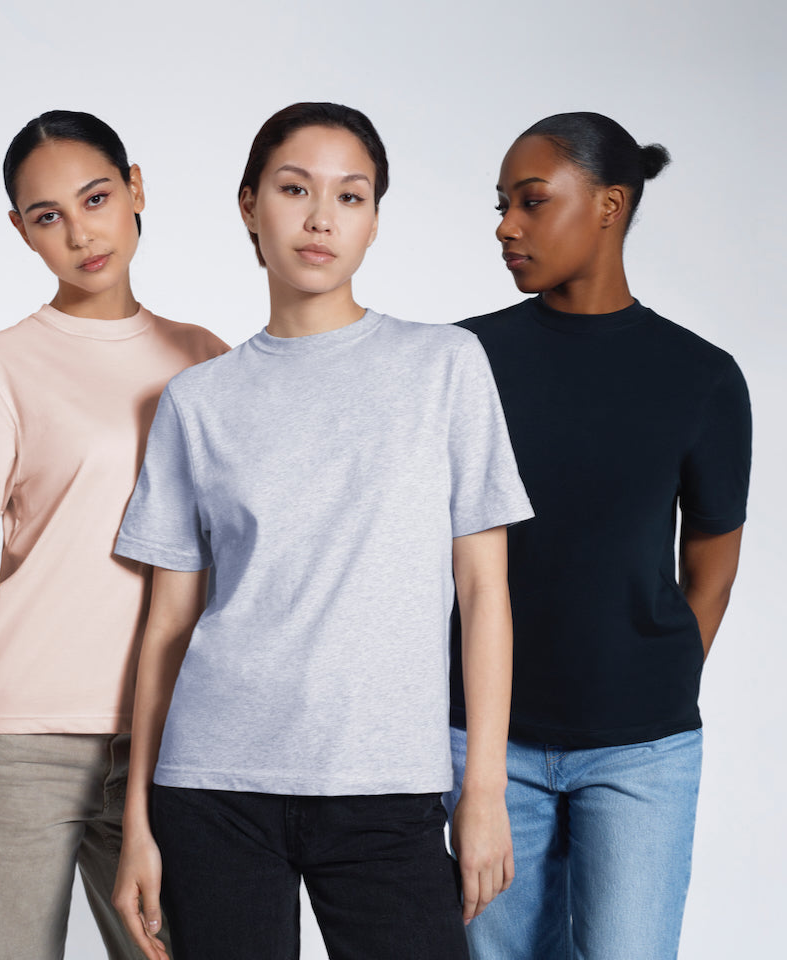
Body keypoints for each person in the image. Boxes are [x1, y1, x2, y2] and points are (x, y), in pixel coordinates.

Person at [109, 101, 534, 960]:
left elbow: (484, 593)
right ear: (248, 205)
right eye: (295, 188)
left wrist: (480, 788)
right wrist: (138, 825)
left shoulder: (444, 366)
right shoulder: (198, 400)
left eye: (352, 196)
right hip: (213, 784)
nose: (320, 218)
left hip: (388, 787)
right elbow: (166, 627)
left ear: (375, 220)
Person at [0, 109, 227, 960]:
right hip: (15, 742)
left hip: (169, 741)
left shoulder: (208, 359)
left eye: (96, 197)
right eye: (48, 216)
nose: (82, 232)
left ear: (136, 190)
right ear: (22, 232)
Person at [444, 112, 753, 960]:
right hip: (484, 747)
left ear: (609, 205)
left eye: (533, 202)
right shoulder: (464, 359)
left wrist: (654, 676)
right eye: (502, 205)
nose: (508, 225)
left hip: (642, 751)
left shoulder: (701, 376)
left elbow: (713, 564)